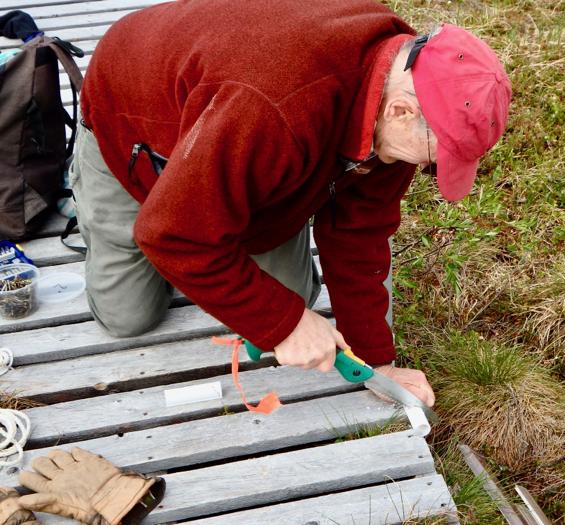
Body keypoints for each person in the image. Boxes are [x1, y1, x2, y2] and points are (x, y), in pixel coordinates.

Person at [71, 0, 511, 408]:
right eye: (435, 160)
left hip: (240, 130)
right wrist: (284, 325)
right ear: (400, 112)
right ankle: (116, 189)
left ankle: (223, 193)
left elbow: (360, 233)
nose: (426, 169)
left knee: (293, 296)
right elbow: (169, 234)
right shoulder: (274, 107)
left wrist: (376, 363)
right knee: (129, 317)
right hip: (135, 119)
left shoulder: (406, 88)